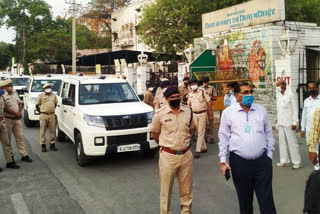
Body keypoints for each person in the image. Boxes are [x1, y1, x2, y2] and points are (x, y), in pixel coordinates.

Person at [218, 82, 276, 214]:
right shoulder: (228, 113)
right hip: (240, 163)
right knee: (245, 201)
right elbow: (223, 138)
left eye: (250, 92)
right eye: (245, 93)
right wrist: (222, 160)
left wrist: (269, 157)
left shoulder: (261, 110)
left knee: (266, 201)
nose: (249, 95)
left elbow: (269, 134)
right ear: (237, 96)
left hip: (262, 162)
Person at [151, 85, 194, 214]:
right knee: (166, 191)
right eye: (172, 97)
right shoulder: (159, 114)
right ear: (166, 99)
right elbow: (155, 134)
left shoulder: (188, 111)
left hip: (186, 155)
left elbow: (191, 129)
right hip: (168, 156)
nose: (176, 99)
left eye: (177, 96)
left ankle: (186, 212)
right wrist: (167, 145)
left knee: (186, 191)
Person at [3, 79, 32, 162]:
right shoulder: (2, 95)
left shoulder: (14, 92)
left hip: (17, 120)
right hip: (8, 119)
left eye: (11, 85)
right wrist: (15, 113)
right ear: (5, 87)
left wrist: (19, 112)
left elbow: (19, 102)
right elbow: (4, 108)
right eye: (8, 86)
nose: (10, 87)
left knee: (20, 138)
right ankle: (10, 157)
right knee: (7, 140)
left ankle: (24, 155)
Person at [275, 80, 302, 169]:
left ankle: (296, 161)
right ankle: (284, 160)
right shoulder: (278, 94)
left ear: (283, 85)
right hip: (281, 122)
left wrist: (295, 122)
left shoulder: (290, 94)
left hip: (289, 122)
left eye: (278, 85)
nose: (277, 87)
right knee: (282, 142)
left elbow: (295, 109)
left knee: (292, 142)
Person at [188, 79, 213, 158]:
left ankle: (197, 150)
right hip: (194, 114)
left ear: (197, 84)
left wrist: (210, 114)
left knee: (201, 132)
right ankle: (204, 147)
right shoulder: (190, 93)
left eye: (194, 83)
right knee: (199, 131)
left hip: (202, 113)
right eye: (191, 84)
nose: (193, 85)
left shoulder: (202, 91)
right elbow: (189, 105)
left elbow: (209, 102)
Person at [0, 80, 20, 170]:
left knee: (6, 142)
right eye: (1, 88)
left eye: (3, 88)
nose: (3, 90)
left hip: (2, 121)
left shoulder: (1, 97)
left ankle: (9, 162)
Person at [301, 82, 320, 171]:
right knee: (313, 148)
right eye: (310, 88)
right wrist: (302, 128)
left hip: (318, 130)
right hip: (309, 130)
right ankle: (317, 167)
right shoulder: (306, 101)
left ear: (317, 88)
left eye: (313, 87)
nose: (312, 89)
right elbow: (304, 115)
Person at [36, 83, 58, 152]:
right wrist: (41, 112)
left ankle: (52, 145)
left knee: (52, 130)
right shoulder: (41, 96)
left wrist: (51, 110)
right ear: (44, 89)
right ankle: (43, 145)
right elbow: (37, 105)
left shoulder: (54, 95)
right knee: (42, 131)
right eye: (47, 87)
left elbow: (55, 104)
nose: (49, 88)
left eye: (49, 87)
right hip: (43, 115)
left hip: (52, 115)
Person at [200, 76, 217, 144]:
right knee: (204, 123)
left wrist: (208, 98)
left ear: (208, 82)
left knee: (211, 122)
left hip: (210, 106)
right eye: (204, 82)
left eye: (206, 82)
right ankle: (205, 136)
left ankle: (211, 137)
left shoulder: (212, 88)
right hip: (202, 107)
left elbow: (215, 97)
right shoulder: (200, 88)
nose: (205, 84)